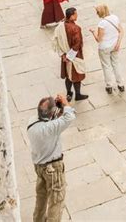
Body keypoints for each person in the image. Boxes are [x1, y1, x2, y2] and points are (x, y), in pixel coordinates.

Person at [27, 93, 76, 222]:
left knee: (41, 198)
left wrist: (54, 109)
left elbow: (50, 120)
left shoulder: (32, 122)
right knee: (56, 201)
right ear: (51, 112)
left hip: (39, 167)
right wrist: (65, 103)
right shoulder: (50, 128)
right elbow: (70, 117)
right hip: (53, 169)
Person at [53, 8, 88, 101]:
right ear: (72, 16)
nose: (77, 15)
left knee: (68, 76)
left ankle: (69, 93)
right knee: (76, 76)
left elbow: (56, 41)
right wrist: (69, 57)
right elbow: (77, 44)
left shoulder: (60, 26)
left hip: (65, 55)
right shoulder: (76, 28)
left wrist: (63, 55)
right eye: (76, 14)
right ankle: (78, 95)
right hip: (74, 56)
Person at [89, 4, 125, 95]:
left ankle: (109, 85)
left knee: (106, 66)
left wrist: (93, 32)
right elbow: (121, 31)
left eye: (97, 12)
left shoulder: (102, 23)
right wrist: (118, 43)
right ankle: (120, 84)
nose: (97, 13)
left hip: (104, 47)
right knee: (116, 64)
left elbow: (98, 39)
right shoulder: (115, 17)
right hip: (115, 45)